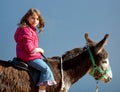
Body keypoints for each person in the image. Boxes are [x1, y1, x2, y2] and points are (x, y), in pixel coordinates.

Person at [14, 8, 56, 92]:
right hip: (28, 57)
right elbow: (30, 49)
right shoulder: (26, 30)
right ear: (27, 18)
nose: (35, 21)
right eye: (32, 18)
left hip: (27, 55)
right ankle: (41, 90)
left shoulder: (30, 30)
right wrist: (39, 50)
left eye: (37, 19)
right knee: (46, 70)